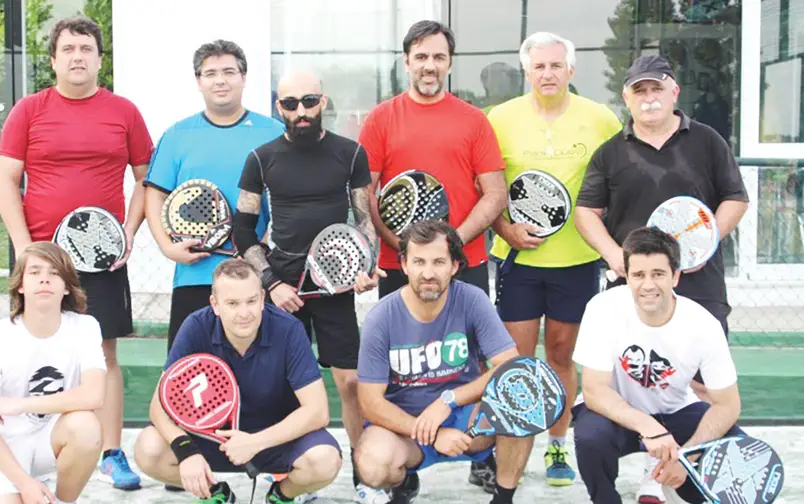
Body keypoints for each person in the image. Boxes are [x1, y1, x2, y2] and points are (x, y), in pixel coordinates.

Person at [574, 55, 749, 503]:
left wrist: (701, 243)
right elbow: (586, 212)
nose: (649, 97)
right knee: (631, 378)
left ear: (674, 92)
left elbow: (735, 198)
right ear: (627, 98)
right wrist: (616, 256)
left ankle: (671, 472)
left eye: (657, 88)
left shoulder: (707, 141)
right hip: (638, 282)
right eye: (639, 90)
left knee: (701, 391)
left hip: (699, 282)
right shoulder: (611, 151)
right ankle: (647, 457)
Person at [0, 16, 153, 490]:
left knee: (102, 352)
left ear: (100, 59)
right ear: (54, 59)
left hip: (101, 257)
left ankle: (110, 453)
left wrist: (127, 232)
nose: (78, 56)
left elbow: (146, 181)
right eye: (68, 49)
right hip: (41, 257)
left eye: (86, 48)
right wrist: (24, 249)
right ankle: (24, 447)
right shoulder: (29, 110)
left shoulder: (123, 111)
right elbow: (5, 180)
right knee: (28, 349)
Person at [234, 69, 385, 504]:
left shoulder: (350, 153)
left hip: (336, 286)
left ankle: (363, 473)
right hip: (284, 288)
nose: (301, 111)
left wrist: (365, 265)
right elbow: (243, 229)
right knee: (287, 387)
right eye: (290, 103)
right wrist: (271, 283)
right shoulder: (261, 158)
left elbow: (363, 221)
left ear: (323, 102)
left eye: (309, 101)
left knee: (352, 382)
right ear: (278, 107)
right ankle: (294, 477)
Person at [483, 31, 623, 490]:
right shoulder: (498, 119)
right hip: (517, 261)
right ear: (527, 71)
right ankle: (512, 446)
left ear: (570, 71)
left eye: (555, 66)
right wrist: (505, 229)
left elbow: (618, 179)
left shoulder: (600, 119)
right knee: (516, 361)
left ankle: (558, 444)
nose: (547, 73)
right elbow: (486, 188)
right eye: (539, 66)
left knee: (562, 355)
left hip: (578, 262)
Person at [132, 259, 343, 504]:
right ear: (216, 304)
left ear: (263, 298)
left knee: (325, 460)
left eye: (251, 301)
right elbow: (158, 407)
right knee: (148, 449)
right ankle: (215, 494)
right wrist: (186, 451)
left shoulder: (289, 329)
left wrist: (255, 442)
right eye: (232, 303)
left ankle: (282, 495)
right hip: (211, 440)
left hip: (276, 439)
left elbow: (318, 412)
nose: (244, 313)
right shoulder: (195, 326)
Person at [354, 220, 530, 504]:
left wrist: (449, 400)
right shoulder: (382, 317)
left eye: (438, 262)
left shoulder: (472, 300)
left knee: (519, 402)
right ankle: (404, 479)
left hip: (467, 418)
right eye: (419, 261)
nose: (428, 273)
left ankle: (503, 497)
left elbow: (509, 365)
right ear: (404, 265)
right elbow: (370, 402)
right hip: (408, 425)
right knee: (373, 464)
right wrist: (432, 433)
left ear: (454, 266)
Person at [571, 226, 744, 504]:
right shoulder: (602, 308)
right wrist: (648, 427)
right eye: (638, 275)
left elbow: (728, 405)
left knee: (733, 448)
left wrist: (686, 457)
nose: (648, 285)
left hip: (675, 410)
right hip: (617, 414)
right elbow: (594, 391)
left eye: (658, 274)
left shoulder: (703, 324)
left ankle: (688, 488)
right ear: (626, 276)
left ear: (675, 276)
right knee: (591, 437)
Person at [143, 39, 284, 352]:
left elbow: (287, 197)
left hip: (256, 276)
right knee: (189, 372)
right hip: (195, 275)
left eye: (229, 72)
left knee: (262, 374)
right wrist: (168, 248)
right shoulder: (177, 135)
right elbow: (153, 195)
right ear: (198, 81)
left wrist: (264, 247)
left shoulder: (273, 132)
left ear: (243, 78)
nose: (220, 80)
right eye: (211, 73)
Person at [358, 20, 508, 300]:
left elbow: (496, 194)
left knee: (465, 344)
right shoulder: (380, 119)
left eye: (439, 57)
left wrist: (451, 244)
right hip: (400, 265)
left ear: (449, 63)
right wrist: (406, 248)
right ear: (406, 62)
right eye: (421, 57)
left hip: (463, 262)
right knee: (403, 345)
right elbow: (364, 194)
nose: (430, 66)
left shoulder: (474, 120)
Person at [0, 242, 107, 504]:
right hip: (4, 451)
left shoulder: (85, 327)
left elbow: (94, 395)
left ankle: (63, 501)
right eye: (34, 272)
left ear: (67, 286)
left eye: (54, 273)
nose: (44, 278)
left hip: (49, 440)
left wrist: (20, 405)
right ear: (20, 285)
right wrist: (24, 483)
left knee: (85, 426)